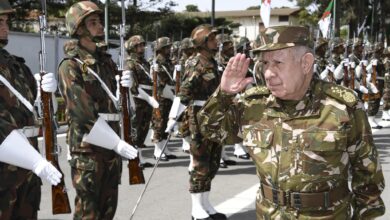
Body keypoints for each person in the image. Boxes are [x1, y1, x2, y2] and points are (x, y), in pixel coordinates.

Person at [198, 26, 385, 219]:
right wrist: (224, 95)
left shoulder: (342, 107)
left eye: (278, 62)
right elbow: (211, 130)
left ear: (306, 63)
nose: (268, 73)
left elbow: (367, 176)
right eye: (264, 63)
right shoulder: (254, 105)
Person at [58, 1, 137, 219]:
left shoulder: (107, 63)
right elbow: (83, 114)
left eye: (99, 21)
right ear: (79, 28)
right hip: (89, 150)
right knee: (89, 212)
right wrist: (117, 143)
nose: (100, 26)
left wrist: (127, 89)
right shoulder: (71, 65)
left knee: (108, 209)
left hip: (110, 146)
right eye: (93, 22)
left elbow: (119, 105)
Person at [0, 1, 61, 218]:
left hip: (27, 175)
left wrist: (48, 93)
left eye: (6, 21)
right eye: (0, 21)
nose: (5, 26)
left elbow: (35, 113)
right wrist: (35, 161)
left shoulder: (16, 65)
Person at [166, 24, 227, 220]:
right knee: (200, 163)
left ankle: (206, 204)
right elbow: (184, 92)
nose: (216, 42)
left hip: (214, 117)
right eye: (212, 39)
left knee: (213, 162)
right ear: (202, 42)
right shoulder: (195, 63)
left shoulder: (212, 62)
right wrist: (173, 118)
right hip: (199, 117)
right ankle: (196, 209)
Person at [124, 35, 157, 168]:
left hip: (147, 100)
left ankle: (140, 158)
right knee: (135, 130)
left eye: (142, 45)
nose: (142, 47)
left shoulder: (144, 62)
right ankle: (133, 160)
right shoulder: (130, 63)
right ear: (132, 48)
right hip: (138, 100)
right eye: (138, 45)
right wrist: (149, 98)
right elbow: (134, 87)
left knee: (143, 129)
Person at [151, 36, 177, 161]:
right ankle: (157, 150)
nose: (169, 49)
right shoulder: (158, 61)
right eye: (166, 47)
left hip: (169, 95)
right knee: (159, 123)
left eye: (169, 47)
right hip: (162, 95)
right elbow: (162, 81)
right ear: (160, 49)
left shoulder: (168, 61)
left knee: (167, 122)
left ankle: (164, 148)